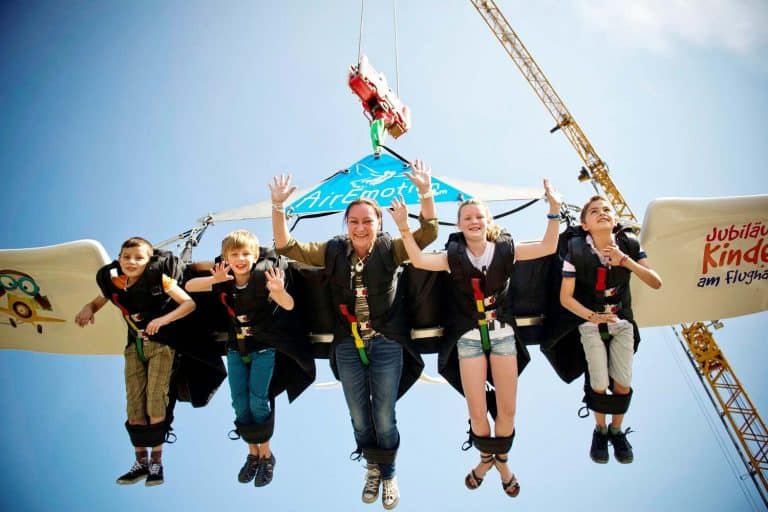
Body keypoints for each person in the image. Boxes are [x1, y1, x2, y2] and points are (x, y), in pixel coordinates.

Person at [269, 160, 437, 510]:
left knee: (384, 413)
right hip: (347, 343)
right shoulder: (332, 250)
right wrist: (278, 206)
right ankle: (372, 465)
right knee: (359, 414)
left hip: (386, 341)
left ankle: (388, 472)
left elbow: (429, 234)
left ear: (379, 222)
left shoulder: (391, 247)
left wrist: (424, 192)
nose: (361, 227)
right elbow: (286, 246)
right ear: (347, 224)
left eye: (368, 221)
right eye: (355, 221)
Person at [388, 179, 561, 498]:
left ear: (488, 222)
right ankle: (485, 460)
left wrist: (553, 212)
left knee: (507, 411)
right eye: (467, 217)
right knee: (477, 411)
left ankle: (501, 463)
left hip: (502, 335)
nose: (473, 221)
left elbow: (548, 248)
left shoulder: (506, 249)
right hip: (467, 337)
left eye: (479, 216)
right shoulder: (453, 256)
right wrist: (402, 227)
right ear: (459, 224)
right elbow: (419, 261)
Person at [185, 230, 314, 487]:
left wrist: (278, 290)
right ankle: (252, 454)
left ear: (255, 256)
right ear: (226, 258)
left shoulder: (264, 276)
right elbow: (188, 286)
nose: (241, 259)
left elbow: (288, 305)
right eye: (234, 254)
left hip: (263, 348)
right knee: (239, 403)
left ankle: (265, 454)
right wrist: (214, 278)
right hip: (236, 349)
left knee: (257, 400)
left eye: (246, 254)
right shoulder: (223, 278)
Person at [75, 237, 195, 486]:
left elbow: (188, 304)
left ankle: (156, 463)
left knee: (154, 400)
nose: (132, 262)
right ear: (119, 258)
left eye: (139, 258)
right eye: (127, 257)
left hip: (161, 346)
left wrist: (163, 320)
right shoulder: (113, 281)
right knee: (134, 406)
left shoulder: (159, 277)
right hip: (134, 347)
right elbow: (98, 301)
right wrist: (89, 308)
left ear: (148, 260)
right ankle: (140, 461)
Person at [559, 196, 661, 464]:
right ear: (584, 224)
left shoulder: (630, 245)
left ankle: (616, 430)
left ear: (615, 219)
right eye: (594, 211)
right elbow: (565, 297)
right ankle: (600, 429)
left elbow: (655, 282)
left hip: (622, 322)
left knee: (622, 380)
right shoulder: (575, 252)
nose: (602, 213)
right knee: (600, 381)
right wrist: (592, 316)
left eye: (607, 210)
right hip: (591, 322)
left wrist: (624, 260)